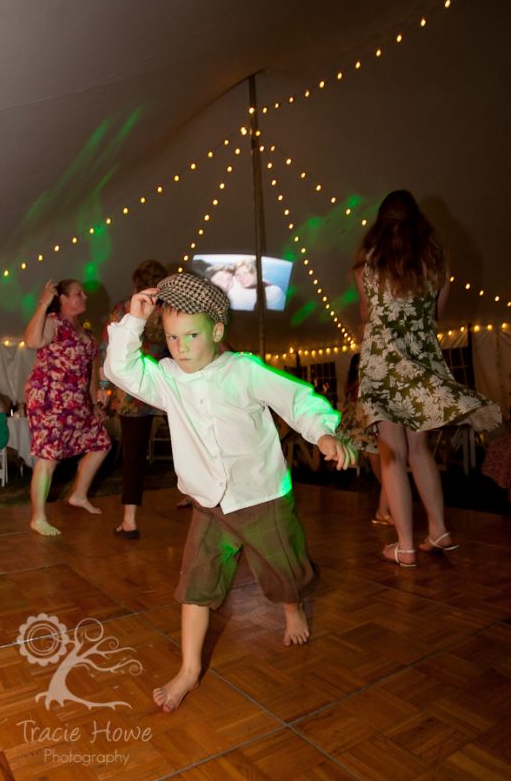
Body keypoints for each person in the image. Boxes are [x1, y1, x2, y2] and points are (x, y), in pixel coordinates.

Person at [104, 272, 356, 712]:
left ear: (217, 331)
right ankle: (188, 669)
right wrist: (132, 322)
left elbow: (296, 399)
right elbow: (119, 369)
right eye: (171, 337)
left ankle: (292, 603)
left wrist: (323, 433)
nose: (180, 348)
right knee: (195, 585)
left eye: (191, 336)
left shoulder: (244, 370)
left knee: (285, 570)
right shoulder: (165, 377)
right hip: (208, 505)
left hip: (261, 499)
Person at [354, 190, 501, 567]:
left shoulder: (367, 267)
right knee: (418, 451)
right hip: (422, 364)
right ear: (419, 222)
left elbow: (366, 314)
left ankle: (404, 546)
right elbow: (438, 313)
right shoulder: (435, 263)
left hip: (385, 368)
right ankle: (438, 529)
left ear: (381, 224)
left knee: (391, 455)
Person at [24, 279, 111, 536]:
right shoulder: (53, 322)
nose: (84, 296)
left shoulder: (83, 329)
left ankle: (79, 495)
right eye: (77, 293)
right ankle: (38, 517)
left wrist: (94, 401)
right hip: (50, 399)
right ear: (61, 298)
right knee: (48, 457)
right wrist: (42, 304)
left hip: (76, 400)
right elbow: (31, 341)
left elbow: (91, 367)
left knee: (100, 442)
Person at [99, 259, 168, 538]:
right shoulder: (170, 311)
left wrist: (103, 387)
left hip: (133, 392)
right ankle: (200, 501)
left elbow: (108, 349)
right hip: (167, 387)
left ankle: (129, 520)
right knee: (191, 444)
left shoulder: (123, 309)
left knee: (133, 456)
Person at [341, 352, 391, 525]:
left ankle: (386, 508)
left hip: (368, 427)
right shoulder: (358, 382)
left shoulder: (364, 380)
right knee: (384, 468)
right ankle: (385, 508)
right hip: (365, 427)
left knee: (385, 468)